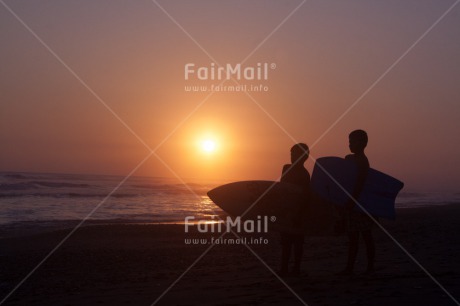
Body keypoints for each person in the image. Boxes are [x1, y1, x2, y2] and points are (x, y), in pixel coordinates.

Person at [339, 129, 376, 275]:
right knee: (354, 237)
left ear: (363, 143)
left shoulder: (362, 160)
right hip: (356, 202)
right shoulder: (352, 158)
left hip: (360, 204)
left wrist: (351, 200)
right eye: (349, 141)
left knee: (365, 235)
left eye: (352, 141)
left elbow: (360, 183)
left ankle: (369, 267)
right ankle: (350, 267)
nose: (349, 144)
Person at [279, 143, 310, 277]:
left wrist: (299, 214)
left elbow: (305, 196)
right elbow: (282, 189)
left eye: (295, 154)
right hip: (286, 209)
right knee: (286, 242)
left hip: (299, 212)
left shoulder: (304, 175)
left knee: (297, 242)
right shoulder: (286, 168)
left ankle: (296, 268)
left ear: (303, 157)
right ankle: (284, 268)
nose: (292, 156)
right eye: (291, 153)